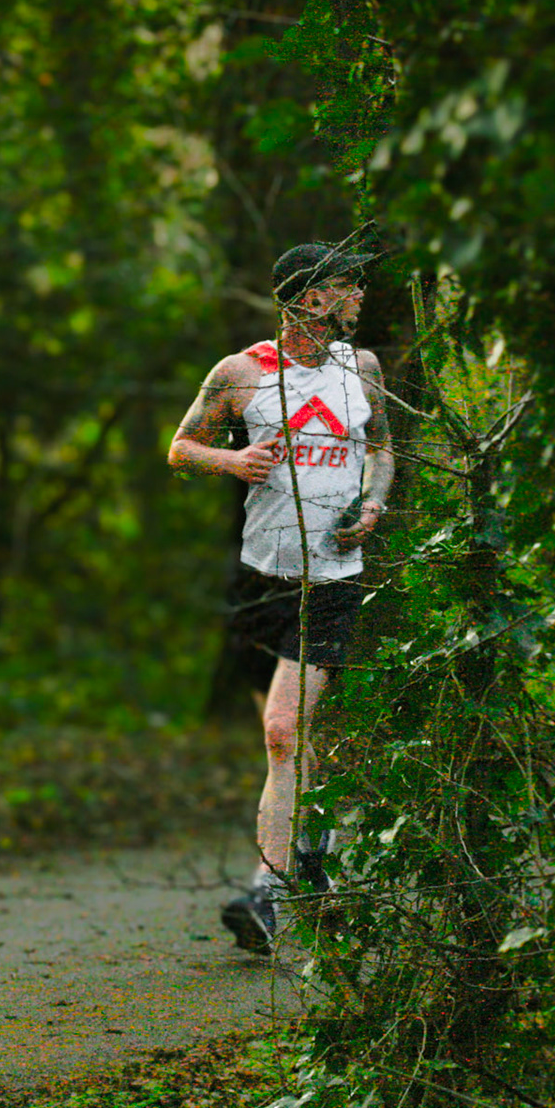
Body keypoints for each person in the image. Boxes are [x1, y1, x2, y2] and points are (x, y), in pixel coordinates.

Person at [167, 241, 395, 953]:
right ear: (312, 298)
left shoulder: (362, 369)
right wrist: (231, 459)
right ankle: (315, 862)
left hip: (331, 580)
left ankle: (267, 892)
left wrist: (373, 504)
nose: (360, 300)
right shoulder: (241, 373)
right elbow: (180, 449)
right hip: (262, 576)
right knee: (298, 741)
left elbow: (382, 448)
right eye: (348, 288)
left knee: (282, 730)